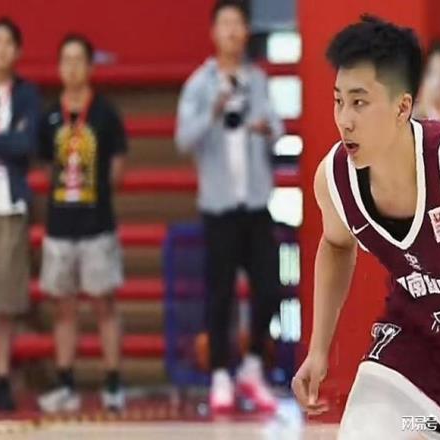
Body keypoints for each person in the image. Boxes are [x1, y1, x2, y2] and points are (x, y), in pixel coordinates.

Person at [291, 15, 440, 439]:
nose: (344, 119)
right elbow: (336, 244)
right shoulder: (336, 180)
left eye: (359, 102)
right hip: (423, 338)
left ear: (403, 107)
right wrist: (318, 348)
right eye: (338, 101)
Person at [175, 0, 284, 414]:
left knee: (269, 288)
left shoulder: (258, 80)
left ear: (247, 31)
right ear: (213, 32)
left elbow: (278, 129)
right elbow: (184, 138)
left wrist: (266, 128)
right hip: (218, 206)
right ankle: (220, 373)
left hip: (255, 202)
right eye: (225, 24)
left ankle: (252, 367)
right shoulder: (199, 84)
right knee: (219, 294)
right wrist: (214, 111)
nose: (233, 31)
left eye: (238, 24)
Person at [37, 34, 127, 413]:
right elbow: (46, 167)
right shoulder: (49, 117)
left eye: (79, 60)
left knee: (105, 304)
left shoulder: (105, 114)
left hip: (98, 225)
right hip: (59, 227)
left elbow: (117, 168)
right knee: (64, 308)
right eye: (66, 60)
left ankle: (113, 383)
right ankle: (65, 384)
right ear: (59, 67)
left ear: (90, 66)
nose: (72, 67)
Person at [0, 17, 41, 411]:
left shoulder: (27, 95)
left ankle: (1, 375)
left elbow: (27, 143)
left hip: (9, 203)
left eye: (8, 43)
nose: (1, 50)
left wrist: (4, 141)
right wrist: (5, 141)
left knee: (6, 297)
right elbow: (12, 141)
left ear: (19, 51)